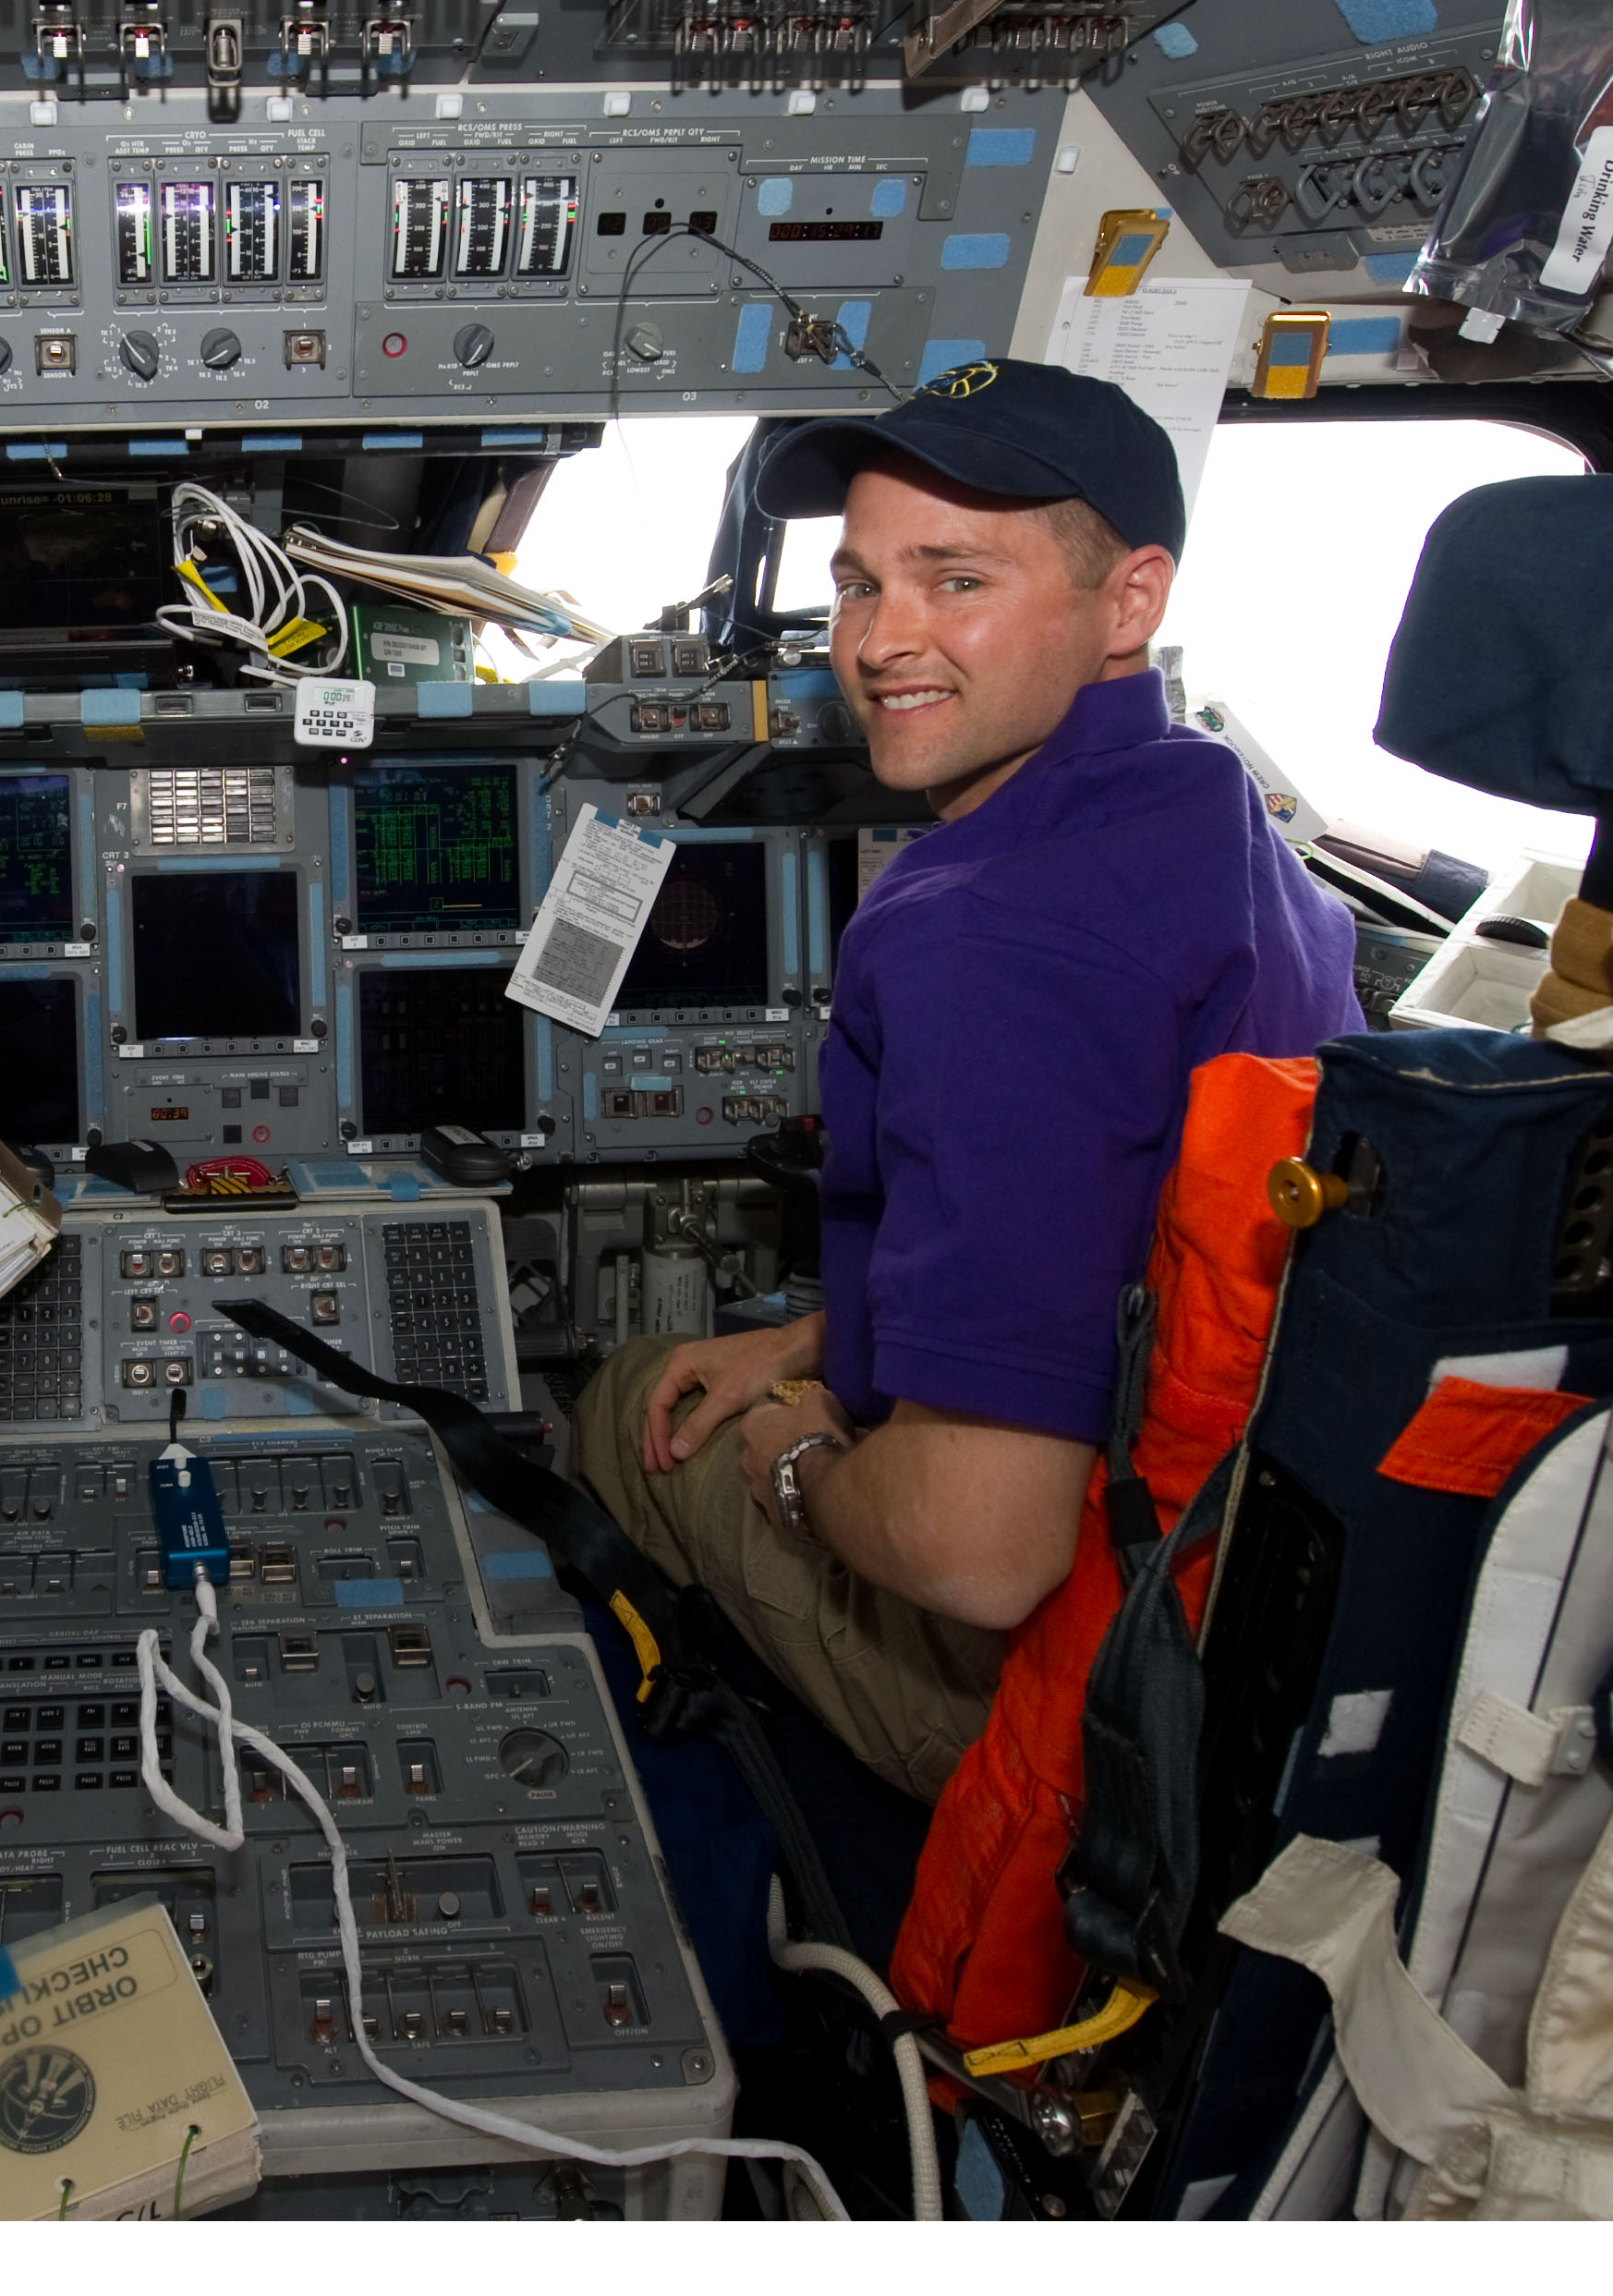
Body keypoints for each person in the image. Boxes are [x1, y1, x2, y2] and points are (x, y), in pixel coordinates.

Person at [570, 360, 1359, 1803]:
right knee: (740, 1374)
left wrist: (805, 1464)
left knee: (625, 1400)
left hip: (1080, 1699)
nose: (882, 641)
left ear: (1130, 601)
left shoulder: (985, 930)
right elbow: (1111, 1237)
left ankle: (762, 1821)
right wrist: (822, 1339)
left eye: (957, 580)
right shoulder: (1213, 813)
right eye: (863, 584)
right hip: (1239, 1593)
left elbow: (977, 1554)